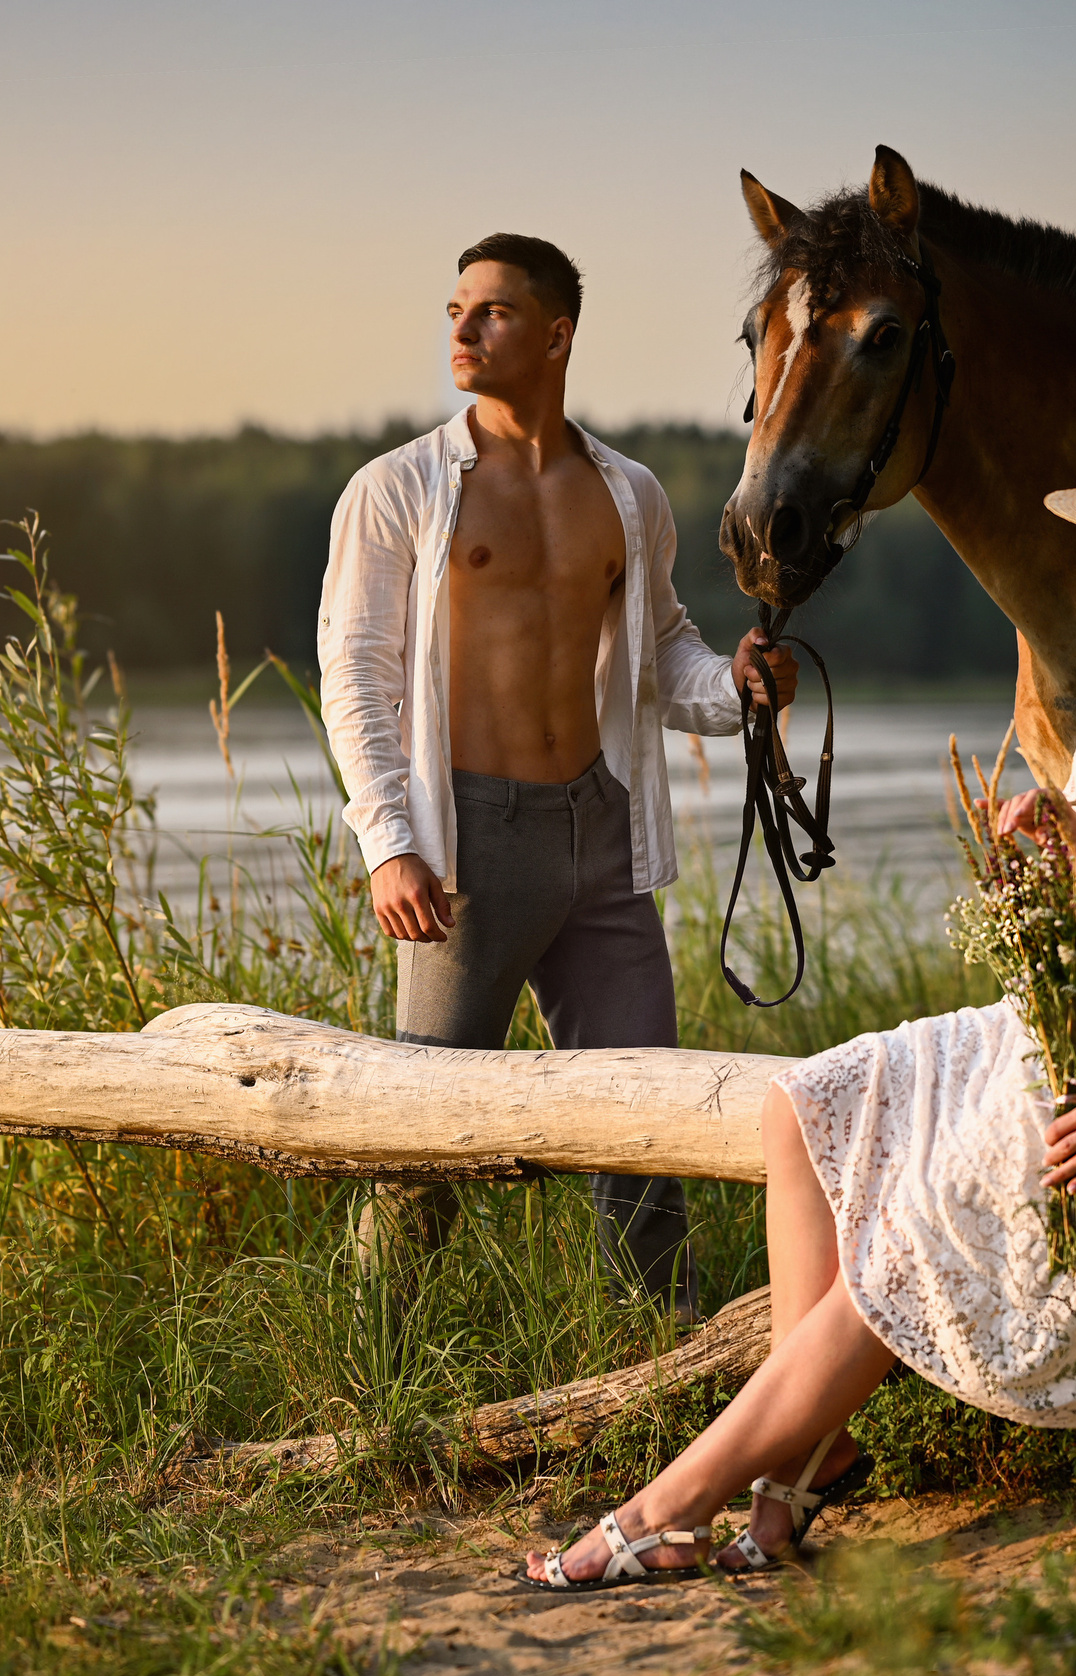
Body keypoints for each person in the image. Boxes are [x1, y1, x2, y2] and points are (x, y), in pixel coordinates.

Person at [523, 424, 1076, 1587]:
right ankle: (810, 1452)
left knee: (911, 1242)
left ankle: (668, 1506)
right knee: (804, 1104)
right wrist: (1064, 835)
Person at [317, 233, 796, 1317]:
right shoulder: (397, 490)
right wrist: (390, 842)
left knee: (645, 1117)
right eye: (455, 309)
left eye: (490, 311)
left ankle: (664, 1344)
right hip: (468, 846)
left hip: (601, 827)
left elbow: (662, 650)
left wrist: (737, 685)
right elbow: (354, 677)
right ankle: (370, 1356)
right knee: (424, 1136)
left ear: (556, 334)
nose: (462, 328)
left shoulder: (627, 493)